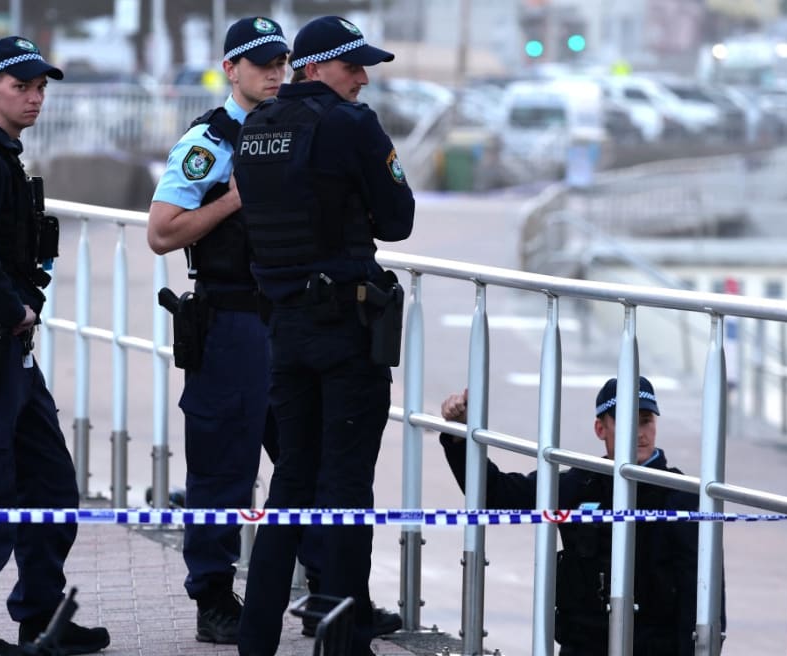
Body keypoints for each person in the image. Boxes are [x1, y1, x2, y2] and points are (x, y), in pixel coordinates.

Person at [234, 15, 415, 656]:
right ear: (315, 67)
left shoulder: (255, 129)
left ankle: (256, 640)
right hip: (344, 328)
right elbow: (398, 221)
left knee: (290, 486)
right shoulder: (350, 125)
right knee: (344, 490)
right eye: (351, 65)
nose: (363, 78)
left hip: (284, 328)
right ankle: (343, 642)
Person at [0, 36, 110, 656]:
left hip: (9, 350)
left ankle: (39, 617)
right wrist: (14, 308)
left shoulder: (1, 154)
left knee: (52, 486)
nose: (34, 98)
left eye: (40, 89)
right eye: (21, 86)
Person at [147, 16, 290, 645]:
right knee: (221, 472)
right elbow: (161, 232)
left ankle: (331, 596)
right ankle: (212, 598)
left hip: (291, 323)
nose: (274, 72)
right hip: (230, 322)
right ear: (230, 68)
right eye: (260, 62)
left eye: (281, 61)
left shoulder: (293, 130)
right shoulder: (209, 140)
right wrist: (233, 198)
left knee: (307, 465)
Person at [438, 377, 726, 656]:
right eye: (627, 421)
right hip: (583, 645)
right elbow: (497, 496)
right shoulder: (582, 483)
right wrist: (459, 435)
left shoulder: (683, 497)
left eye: (646, 421)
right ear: (600, 429)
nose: (639, 432)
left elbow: (704, 595)